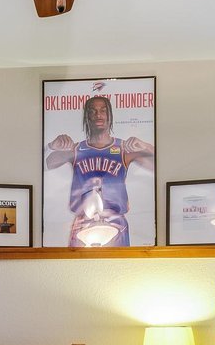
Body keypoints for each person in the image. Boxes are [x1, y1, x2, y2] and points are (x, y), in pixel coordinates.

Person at [45, 95, 154, 246]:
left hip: (115, 223)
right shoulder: (76, 149)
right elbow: (46, 164)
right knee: (78, 269)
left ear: (110, 116)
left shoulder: (124, 148)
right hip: (83, 224)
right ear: (86, 117)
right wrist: (51, 145)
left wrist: (145, 146)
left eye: (103, 110)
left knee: (118, 269)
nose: (98, 115)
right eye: (93, 111)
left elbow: (160, 166)